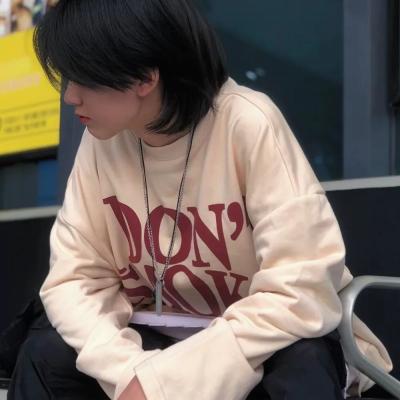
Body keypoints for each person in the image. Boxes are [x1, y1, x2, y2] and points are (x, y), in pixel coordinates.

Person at [8, 0, 392, 399]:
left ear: (145, 77)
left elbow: (302, 287)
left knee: (301, 366)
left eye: (83, 77)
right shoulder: (102, 141)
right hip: (159, 333)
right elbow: (75, 281)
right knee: (44, 355)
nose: (70, 96)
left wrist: (171, 381)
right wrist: (129, 372)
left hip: (260, 337)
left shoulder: (246, 122)